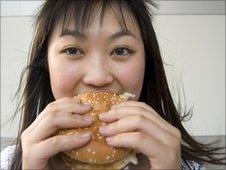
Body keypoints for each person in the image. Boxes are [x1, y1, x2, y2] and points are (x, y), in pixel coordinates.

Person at [1, 0, 225, 169]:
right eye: (72, 50)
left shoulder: (184, 165)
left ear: (147, 63)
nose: (98, 78)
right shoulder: (9, 162)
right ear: (46, 64)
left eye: (120, 50)